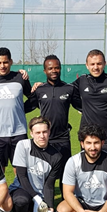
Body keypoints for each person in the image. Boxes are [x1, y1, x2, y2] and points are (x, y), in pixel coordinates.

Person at [25, 55, 80, 191]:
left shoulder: (69, 89)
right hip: (44, 139)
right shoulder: (40, 90)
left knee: (65, 174)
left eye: (56, 68)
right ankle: (43, 204)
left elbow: (83, 107)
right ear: (45, 71)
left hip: (63, 139)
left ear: (60, 69)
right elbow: (24, 108)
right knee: (44, 173)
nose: (54, 70)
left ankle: (65, 202)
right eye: (50, 68)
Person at [10, 117, 63, 212]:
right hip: (21, 188)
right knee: (21, 201)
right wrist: (36, 197)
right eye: (38, 133)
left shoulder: (57, 156)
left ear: (49, 132)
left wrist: (50, 209)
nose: (42, 136)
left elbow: (49, 185)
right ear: (31, 133)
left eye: (44, 132)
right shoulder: (23, 145)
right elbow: (21, 176)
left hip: (41, 195)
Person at [0, 47, 32, 172]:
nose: (2, 66)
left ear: (11, 62)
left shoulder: (20, 78)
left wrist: (22, 109)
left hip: (18, 133)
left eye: (5, 62)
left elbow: (33, 97)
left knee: (20, 171)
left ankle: (19, 192)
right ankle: (1, 192)